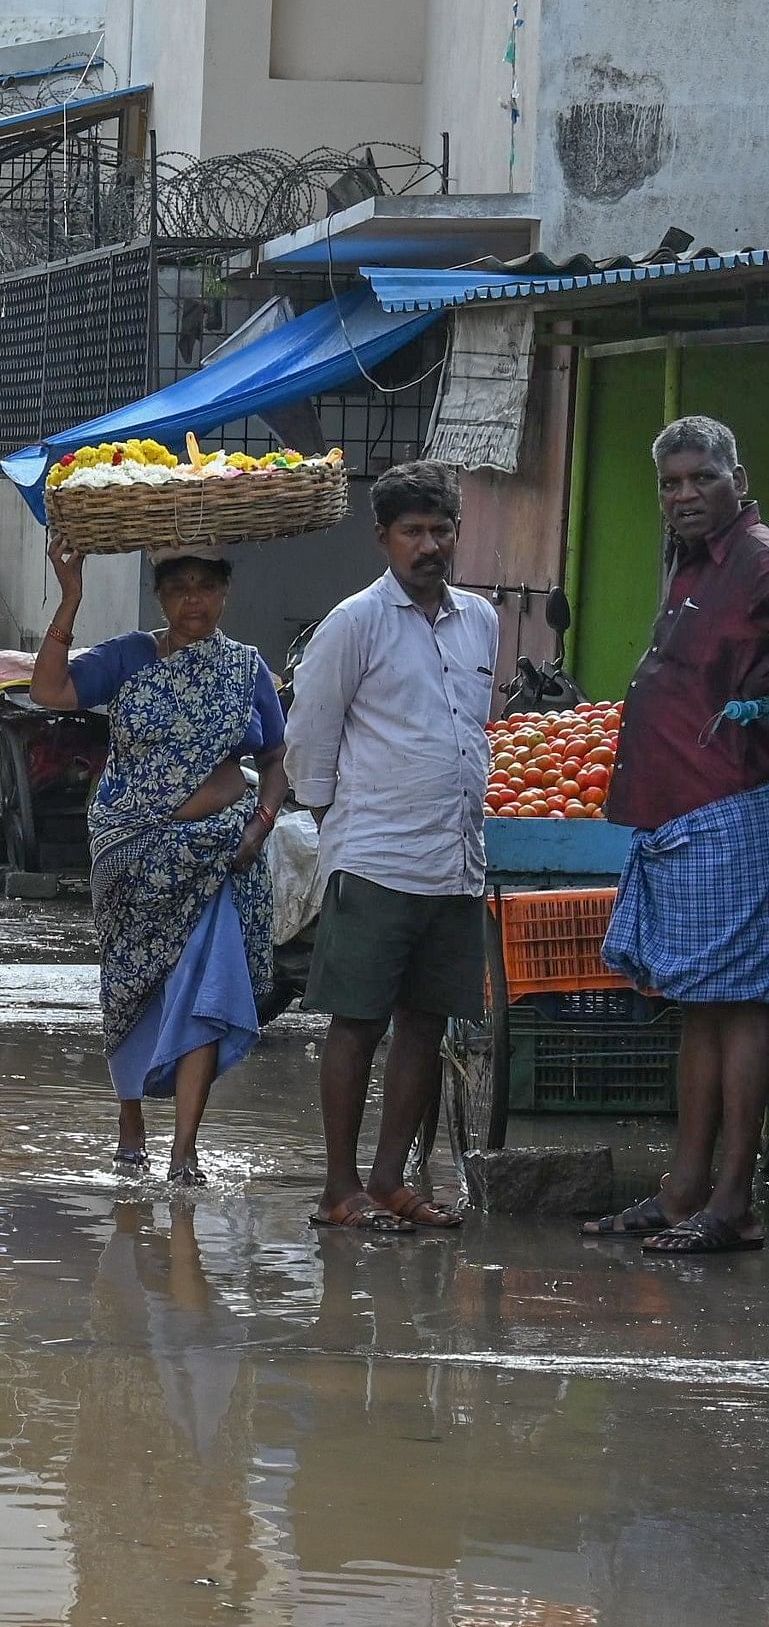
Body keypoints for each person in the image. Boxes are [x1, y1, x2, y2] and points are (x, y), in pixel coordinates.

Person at [286, 460, 497, 1235]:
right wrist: (335, 819)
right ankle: (339, 1188)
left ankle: (390, 1180)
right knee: (356, 1022)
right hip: (375, 856)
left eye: (440, 529)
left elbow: (469, 728)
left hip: (454, 860)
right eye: (412, 531)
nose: (428, 544)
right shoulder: (353, 622)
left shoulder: (479, 620)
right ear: (382, 538)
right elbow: (309, 737)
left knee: (426, 1023)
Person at [35, 543, 288, 1183]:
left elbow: (279, 762)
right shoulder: (128, 656)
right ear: (160, 598)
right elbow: (49, 690)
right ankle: (130, 1123)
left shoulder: (244, 668)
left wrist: (259, 827)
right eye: (179, 588)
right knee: (129, 987)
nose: (193, 600)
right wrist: (70, 597)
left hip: (221, 856)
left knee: (208, 989)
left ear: (225, 593)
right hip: (131, 854)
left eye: (206, 586)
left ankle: (184, 1148)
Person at [589, 417, 769, 1253]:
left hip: (727, 804)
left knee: (738, 1008)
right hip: (678, 812)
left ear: (736, 476)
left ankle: (730, 1202)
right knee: (703, 1007)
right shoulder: (693, 564)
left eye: (701, 478)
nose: (685, 495)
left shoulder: (758, 558)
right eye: (670, 483)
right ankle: (683, 1188)